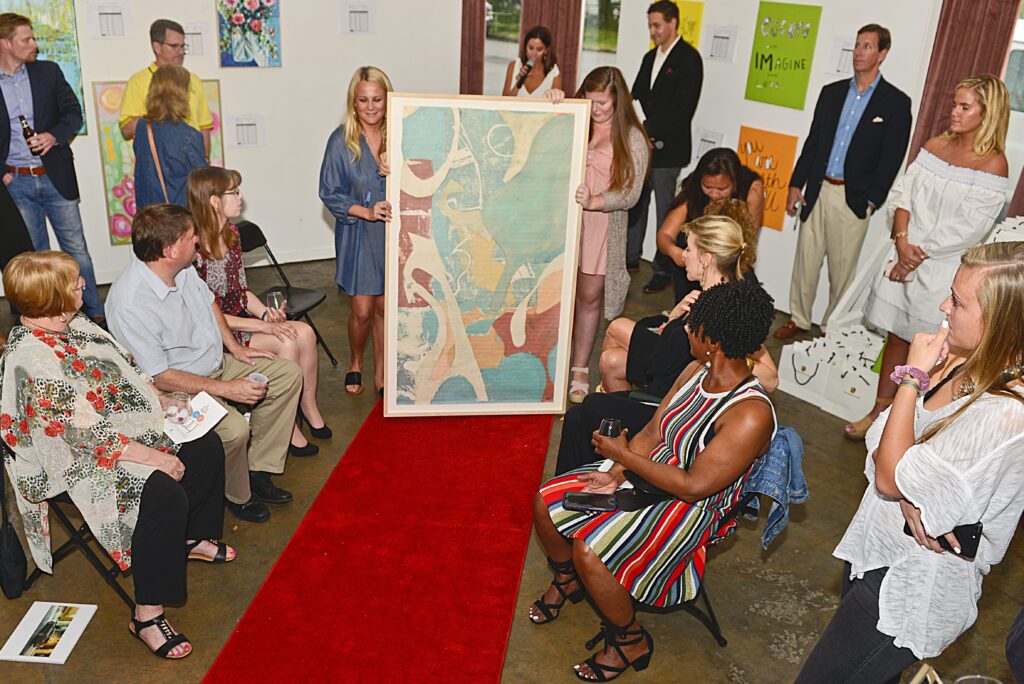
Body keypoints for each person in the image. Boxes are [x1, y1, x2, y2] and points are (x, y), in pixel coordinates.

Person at [796, 241, 1024, 681]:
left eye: (957, 301)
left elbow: (887, 474)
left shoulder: (1007, 413)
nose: (943, 307)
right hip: (876, 548)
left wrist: (912, 380)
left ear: (1000, 320)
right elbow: (880, 447)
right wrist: (907, 490)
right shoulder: (961, 360)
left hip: (909, 585)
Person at [530, 279, 776, 681]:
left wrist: (622, 456)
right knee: (546, 501)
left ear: (712, 341)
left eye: (693, 325)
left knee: (591, 551)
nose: (686, 330)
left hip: (693, 507)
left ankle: (629, 639)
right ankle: (567, 579)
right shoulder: (695, 371)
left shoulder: (750, 413)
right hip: (649, 473)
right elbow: (653, 430)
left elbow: (694, 486)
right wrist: (614, 475)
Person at [0, 251, 235, 660]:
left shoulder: (74, 324)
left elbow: (124, 373)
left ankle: (188, 537)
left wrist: (159, 399)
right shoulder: (31, 361)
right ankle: (146, 615)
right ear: (53, 298)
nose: (83, 285)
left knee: (204, 446)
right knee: (162, 493)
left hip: (115, 430)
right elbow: (83, 435)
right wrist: (155, 457)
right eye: (74, 282)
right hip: (72, 458)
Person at [106, 203, 302, 524]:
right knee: (235, 430)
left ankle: (258, 469)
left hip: (215, 364)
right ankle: (238, 495)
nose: (197, 240)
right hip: (176, 391)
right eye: (190, 236)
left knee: (286, 375)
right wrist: (227, 389)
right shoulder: (130, 304)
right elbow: (161, 377)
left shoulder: (181, 270)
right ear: (170, 250)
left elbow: (210, 303)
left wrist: (234, 348)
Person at [555, 204, 776, 475]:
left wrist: (721, 356)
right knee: (585, 410)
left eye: (689, 249)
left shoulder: (724, 311)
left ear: (706, 259)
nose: (683, 255)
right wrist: (675, 316)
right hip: (666, 395)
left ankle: (580, 488)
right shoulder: (700, 298)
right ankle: (583, 485)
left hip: (678, 411)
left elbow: (770, 378)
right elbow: (666, 353)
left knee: (585, 413)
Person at [846, 75, 1009, 440]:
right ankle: (878, 412)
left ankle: (913, 425)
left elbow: (970, 225)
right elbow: (903, 194)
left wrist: (917, 253)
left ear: (988, 114)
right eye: (954, 104)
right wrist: (902, 242)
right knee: (896, 338)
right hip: (904, 254)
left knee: (935, 349)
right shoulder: (935, 144)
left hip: (942, 271)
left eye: (964, 106)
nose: (954, 112)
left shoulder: (994, 164)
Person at [775, 23, 912, 341]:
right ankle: (799, 318)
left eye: (867, 46)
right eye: (857, 45)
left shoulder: (895, 103)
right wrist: (796, 184)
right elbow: (813, 143)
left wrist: (872, 200)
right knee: (805, 261)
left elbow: (892, 158)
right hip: (817, 189)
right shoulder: (832, 93)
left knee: (842, 269)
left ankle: (830, 328)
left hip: (853, 198)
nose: (859, 52)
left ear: (882, 53)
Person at [188, 166, 330, 456]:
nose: (240, 197)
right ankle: (286, 425)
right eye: (234, 192)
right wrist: (264, 326)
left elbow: (241, 292)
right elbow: (207, 316)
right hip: (219, 335)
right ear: (214, 201)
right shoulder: (194, 249)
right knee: (288, 340)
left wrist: (266, 314)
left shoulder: (231, 234)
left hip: (242, 322)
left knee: (305, 333)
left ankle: (308, 407)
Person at [548, 66, 648, 403]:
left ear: (618, 100)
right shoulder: (577, 117)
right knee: (555, 292)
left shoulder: (632, 137)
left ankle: (579, 369)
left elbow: (631, 192)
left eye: (602, 103)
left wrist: (595, 200)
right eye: (589, 101)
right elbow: (545, 139)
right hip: (563, 221)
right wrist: (555, 103)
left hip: (601, 225)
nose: (595, 109)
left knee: (589, 297)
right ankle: (550, 359)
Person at [0, 13, 104, 322]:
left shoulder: (48, 72)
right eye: (26, 39)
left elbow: (73, 113)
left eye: (33, 38)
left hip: (55, 177)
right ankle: (45, 321)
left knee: (76, 250)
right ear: (5, 44)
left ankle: (95, 315)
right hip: (17, 183)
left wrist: (53, 136)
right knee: (34, 258)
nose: (34, 44)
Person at [319, 66, 392, 395]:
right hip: (359, 234)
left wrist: (400, 165)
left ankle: (382, 374)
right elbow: (329, 191)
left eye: (377, 99)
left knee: (384, 309)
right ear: (353, 102)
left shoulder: (401, 135)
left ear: (388, 100)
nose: (371, 106)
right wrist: (367, 212)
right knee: (362, 312)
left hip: (393, 234)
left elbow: (424, 176)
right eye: (363, 100)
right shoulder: (341, 140)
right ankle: (357, 361)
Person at [628, 0, 702, 289]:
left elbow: (684, 109)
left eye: (657, 25)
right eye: (650, 25)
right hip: (643, 147)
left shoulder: (689, 59)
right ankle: (630, 258)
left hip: (668, 151)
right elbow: (636, 96)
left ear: (673, 23)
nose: (653, 31)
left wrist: (650, 132)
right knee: (636, 204)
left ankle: (662, 270)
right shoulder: (649, 57)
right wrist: (639, 133)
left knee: (665, 212)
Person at [655, 147, 763, 302]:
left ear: (735, 182)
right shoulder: (693, 190)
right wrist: (676, 252)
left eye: (722, 189)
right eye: (707, 187)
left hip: (729, 265)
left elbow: (748, 240)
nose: (714, 194)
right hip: (691, 268)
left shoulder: (752, 188)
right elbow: (664, 235)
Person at [120, 18, 212, 157]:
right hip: (157, 164)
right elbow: (126, 130)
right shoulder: (137, 81)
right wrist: (161, 114)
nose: (180, 52)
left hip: (193, 164)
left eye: (183, 46)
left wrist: (205, 162)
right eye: (174, 46)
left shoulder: (194, 80)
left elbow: (204, 127)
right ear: (157, 47)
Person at [133, 64, 206, 209]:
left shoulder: (143, 126)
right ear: (181, 94)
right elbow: (204, 184)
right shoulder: (190, 136)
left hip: (147, 215)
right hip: (177, 216)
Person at [502, 25, 561, 97]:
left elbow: (556, 102)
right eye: (530, 48)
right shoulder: (514, 66)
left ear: (546, 50)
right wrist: (517, 84)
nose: (534, 53)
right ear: (525, 47)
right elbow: (504, 100)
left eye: (539, 49)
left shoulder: (553, 72)